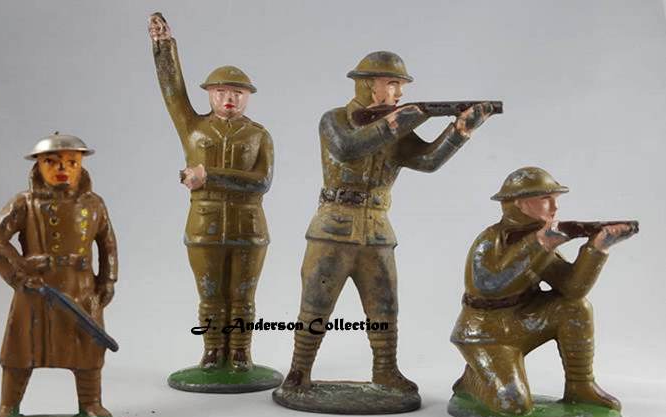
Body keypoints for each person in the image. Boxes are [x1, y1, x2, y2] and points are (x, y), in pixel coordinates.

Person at [281, 51, 494, 392]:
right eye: (393, 83)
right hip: (333, 228)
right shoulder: (334, 119)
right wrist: (395, 123)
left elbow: (427, 161)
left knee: (384, 307)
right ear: (369, 85)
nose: (400, 92)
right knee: (315, 304)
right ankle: (299, 371)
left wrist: (460, 130)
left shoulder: (397, 126)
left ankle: (385, 370)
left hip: (377, 231)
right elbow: (348, 148)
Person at [450, 166, 636, 415]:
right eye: (546, 198)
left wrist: (597, 248)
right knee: (513, 405)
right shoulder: (490, 240)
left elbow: (572, 289)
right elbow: (489, 284)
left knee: (575, 308)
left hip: (524, 320)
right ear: (521, 203)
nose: (555, 207)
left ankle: (580, 384)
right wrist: (540, 243)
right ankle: (474, 381)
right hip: (484, 333)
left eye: (555, 199)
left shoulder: (542, 240)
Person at [149, 13, 273, 371]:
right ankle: (213, 350)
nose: (229, 99)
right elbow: (172, 92)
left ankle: (241, 352)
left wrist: (208, 175)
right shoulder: (194, 128)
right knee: (209, 296)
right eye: (221, 92)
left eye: (237, 93)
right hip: (204, 226)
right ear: (209, 94)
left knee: (243, 298)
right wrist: (163, 46)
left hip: (249, 228)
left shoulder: (258, 135)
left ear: (247, 97)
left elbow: (262, 182)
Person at [0, 132, 118, 417]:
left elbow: (107, 244)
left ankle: (91, 404)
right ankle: (8, 407)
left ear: (81, 165)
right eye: (52, 162)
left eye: (72, 162)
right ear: (38, 166)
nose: (62, 168)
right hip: (35, 291)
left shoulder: (94, 204)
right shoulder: (25, 203)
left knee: (88, 348)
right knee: (21, 350)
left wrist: (108, 280)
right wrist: (17, 273)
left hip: (81, 289)